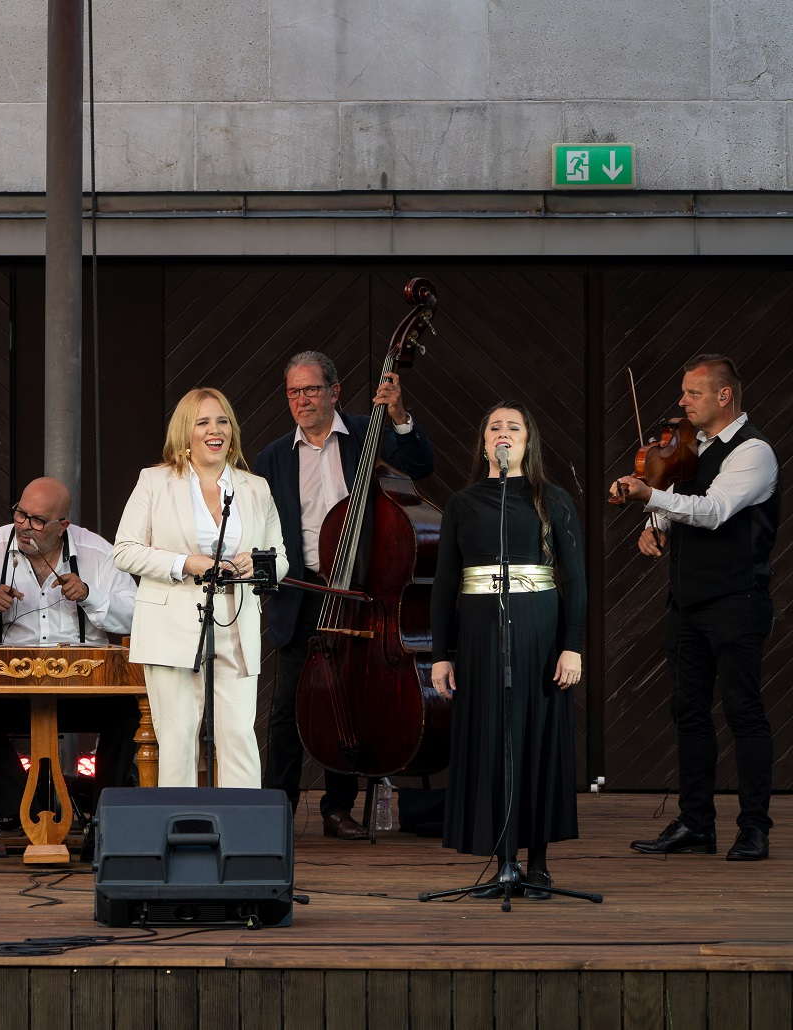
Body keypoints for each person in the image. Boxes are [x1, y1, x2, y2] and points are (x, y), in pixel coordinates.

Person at [255, 350, 435, 840]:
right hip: (306, 589)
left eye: (311, 389)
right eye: (293, 391)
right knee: (289, 708)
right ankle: (277, 811)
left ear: (334, 391)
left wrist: (398, 417)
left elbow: (422, 463)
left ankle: (338, 809)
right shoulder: (273, 457)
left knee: (351, 696)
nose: (302, 400)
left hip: (363, 589)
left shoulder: (366, 433)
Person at [615, 355, 778, 862]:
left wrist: (651, 497)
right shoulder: (689, 451)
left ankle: (754, 828)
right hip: (686, 604)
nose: (681, 403)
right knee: (688, 714)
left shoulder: (754, 453)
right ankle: (696, 824)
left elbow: (713, 510)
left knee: (743, 713)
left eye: (692, 394)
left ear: (723, 396)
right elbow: (682, 500)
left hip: (736, 600)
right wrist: (655, 526)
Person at [430, 402, 584, 897]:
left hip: (539, 633)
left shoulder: (552, 499)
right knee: (493, 737)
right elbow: (444, 584)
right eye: (494, 426)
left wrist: (573, 647)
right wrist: (440, 653)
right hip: (479, 635)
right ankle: (504, 861)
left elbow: (575, 580)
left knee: (535, 738)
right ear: (484, 443)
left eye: (513, 426)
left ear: (528, 441)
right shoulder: (463, 503)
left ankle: (537, 862)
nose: (503, 432)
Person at [0, 476, 140, 826]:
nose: (25, 527)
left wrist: (91, 595)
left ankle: (107, 820)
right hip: (8, 686)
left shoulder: (97, 552)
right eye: (20, 514)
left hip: (84, 686)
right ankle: (23, 809)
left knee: (127, 716)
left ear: (63, 526)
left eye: (38, 521)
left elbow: (139, 614)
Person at [113, 388, 287, 789]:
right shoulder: (155, 481)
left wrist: (257, 563)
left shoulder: (255, 487)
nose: (215, 430)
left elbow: (279, 557)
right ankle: (181, 834)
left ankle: (243, 839)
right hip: (172, 622)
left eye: (223, 421)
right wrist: (184, 563)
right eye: (203, 421)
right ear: (185, 432)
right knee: (177, 741)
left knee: (240, 737)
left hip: (236, 622)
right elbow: (125, 551)